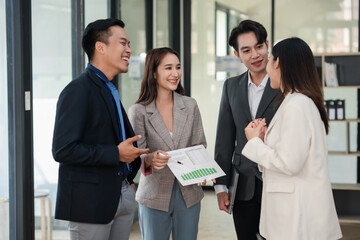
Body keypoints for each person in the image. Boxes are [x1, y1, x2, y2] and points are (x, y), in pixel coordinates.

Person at [52, 18, 149, 240]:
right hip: (90, 204)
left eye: (129, 44)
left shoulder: (109, 89)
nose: (129, 50)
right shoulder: (77, 91)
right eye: (123, 43)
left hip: (120, 194)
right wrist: (116, 153)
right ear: (100, 47)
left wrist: (131, 176)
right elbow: (63, 149)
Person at [242, 37, 343, 240]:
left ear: (278, 63)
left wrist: (254, 142)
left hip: (295, 216)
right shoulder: (296, 102)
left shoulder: (297, 105)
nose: (267, 68)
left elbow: (289, 163)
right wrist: (262, 141)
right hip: (294, 212)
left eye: (270, 60)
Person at [128, 47, 207, 240]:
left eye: (178, 67)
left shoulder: (190, 105)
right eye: (168, 68)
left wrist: (202, 169)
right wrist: (150, 159)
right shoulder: (138, 111)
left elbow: (200, 145)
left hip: (188, 193)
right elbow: (136, 155)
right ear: (154, 73)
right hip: (154, 194)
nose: (175, 73)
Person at [214, 20, 279, 239]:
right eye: (246, 50)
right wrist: (221, 187)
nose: (255, 55)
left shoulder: (284, 85)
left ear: (267, 45)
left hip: (277, 182)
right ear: (237, 54)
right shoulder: (231, 86)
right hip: (243, 186)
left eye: (259, 46)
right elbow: (224, 139)